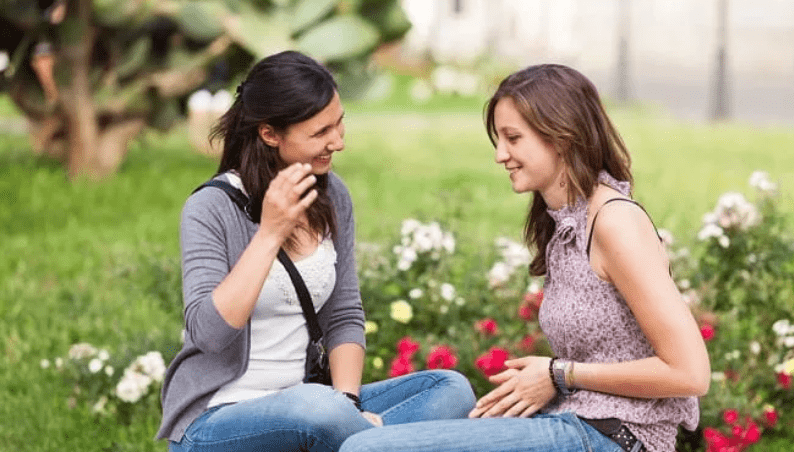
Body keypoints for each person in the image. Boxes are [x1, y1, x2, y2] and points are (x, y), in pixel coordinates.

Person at [339, 64, 710, 452]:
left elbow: (689, 372)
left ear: (561, 138)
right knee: (403, 414)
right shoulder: (567, 224)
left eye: (513, 138)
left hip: (619, 436)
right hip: (577, 422)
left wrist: (560, 373)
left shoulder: (615, 222)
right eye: (498, 139)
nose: (501, 155)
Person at [156, 50, 476, 452]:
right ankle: (366, 441)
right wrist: (270, 233)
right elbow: (210, 334)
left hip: (317, 402)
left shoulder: (332, 194)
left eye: (339, 124)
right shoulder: (211, 208)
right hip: (219, 420)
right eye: (320, 132)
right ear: (270, 133)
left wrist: (347, 405)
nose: (338, 142)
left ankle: (353, 439)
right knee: (315, 409)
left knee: (450, 390)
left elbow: (343, 314)